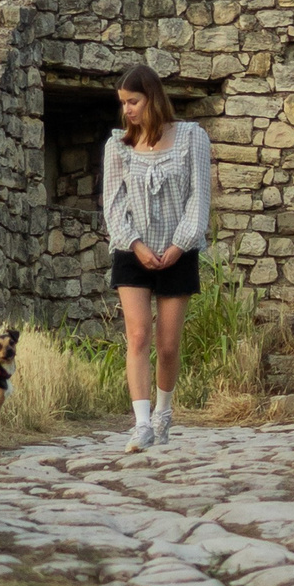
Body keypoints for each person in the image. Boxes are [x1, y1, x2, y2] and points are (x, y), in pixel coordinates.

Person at [99, 63, 211, 452]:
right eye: (123, 103)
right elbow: (113, 206)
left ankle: (164, 414)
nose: (127, 110)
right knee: (137, 335)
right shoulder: (118, 146)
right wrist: (137, 246)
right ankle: (142, 423)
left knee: (167, 344)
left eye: (133, 101)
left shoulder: (192, 138)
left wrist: (180, 244)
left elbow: (200, 197)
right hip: (133, 251)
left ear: (153, 98)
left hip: (179, 251)